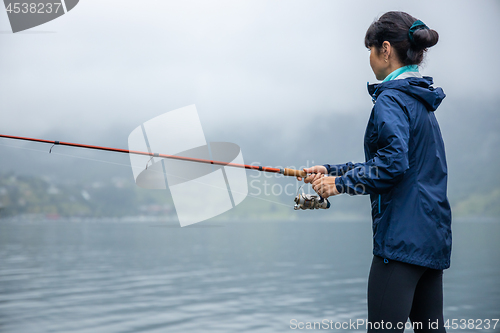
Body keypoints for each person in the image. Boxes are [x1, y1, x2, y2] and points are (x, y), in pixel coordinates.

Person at [297, 11, 451, 332]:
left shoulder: (391, 100)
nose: (368, 57)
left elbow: (393, 165)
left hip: (399, 243)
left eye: (369, 49)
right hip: (431, 240)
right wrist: (331, 170)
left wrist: (339, 184)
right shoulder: (419, 99)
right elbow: (398, 163)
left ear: (384, 49)